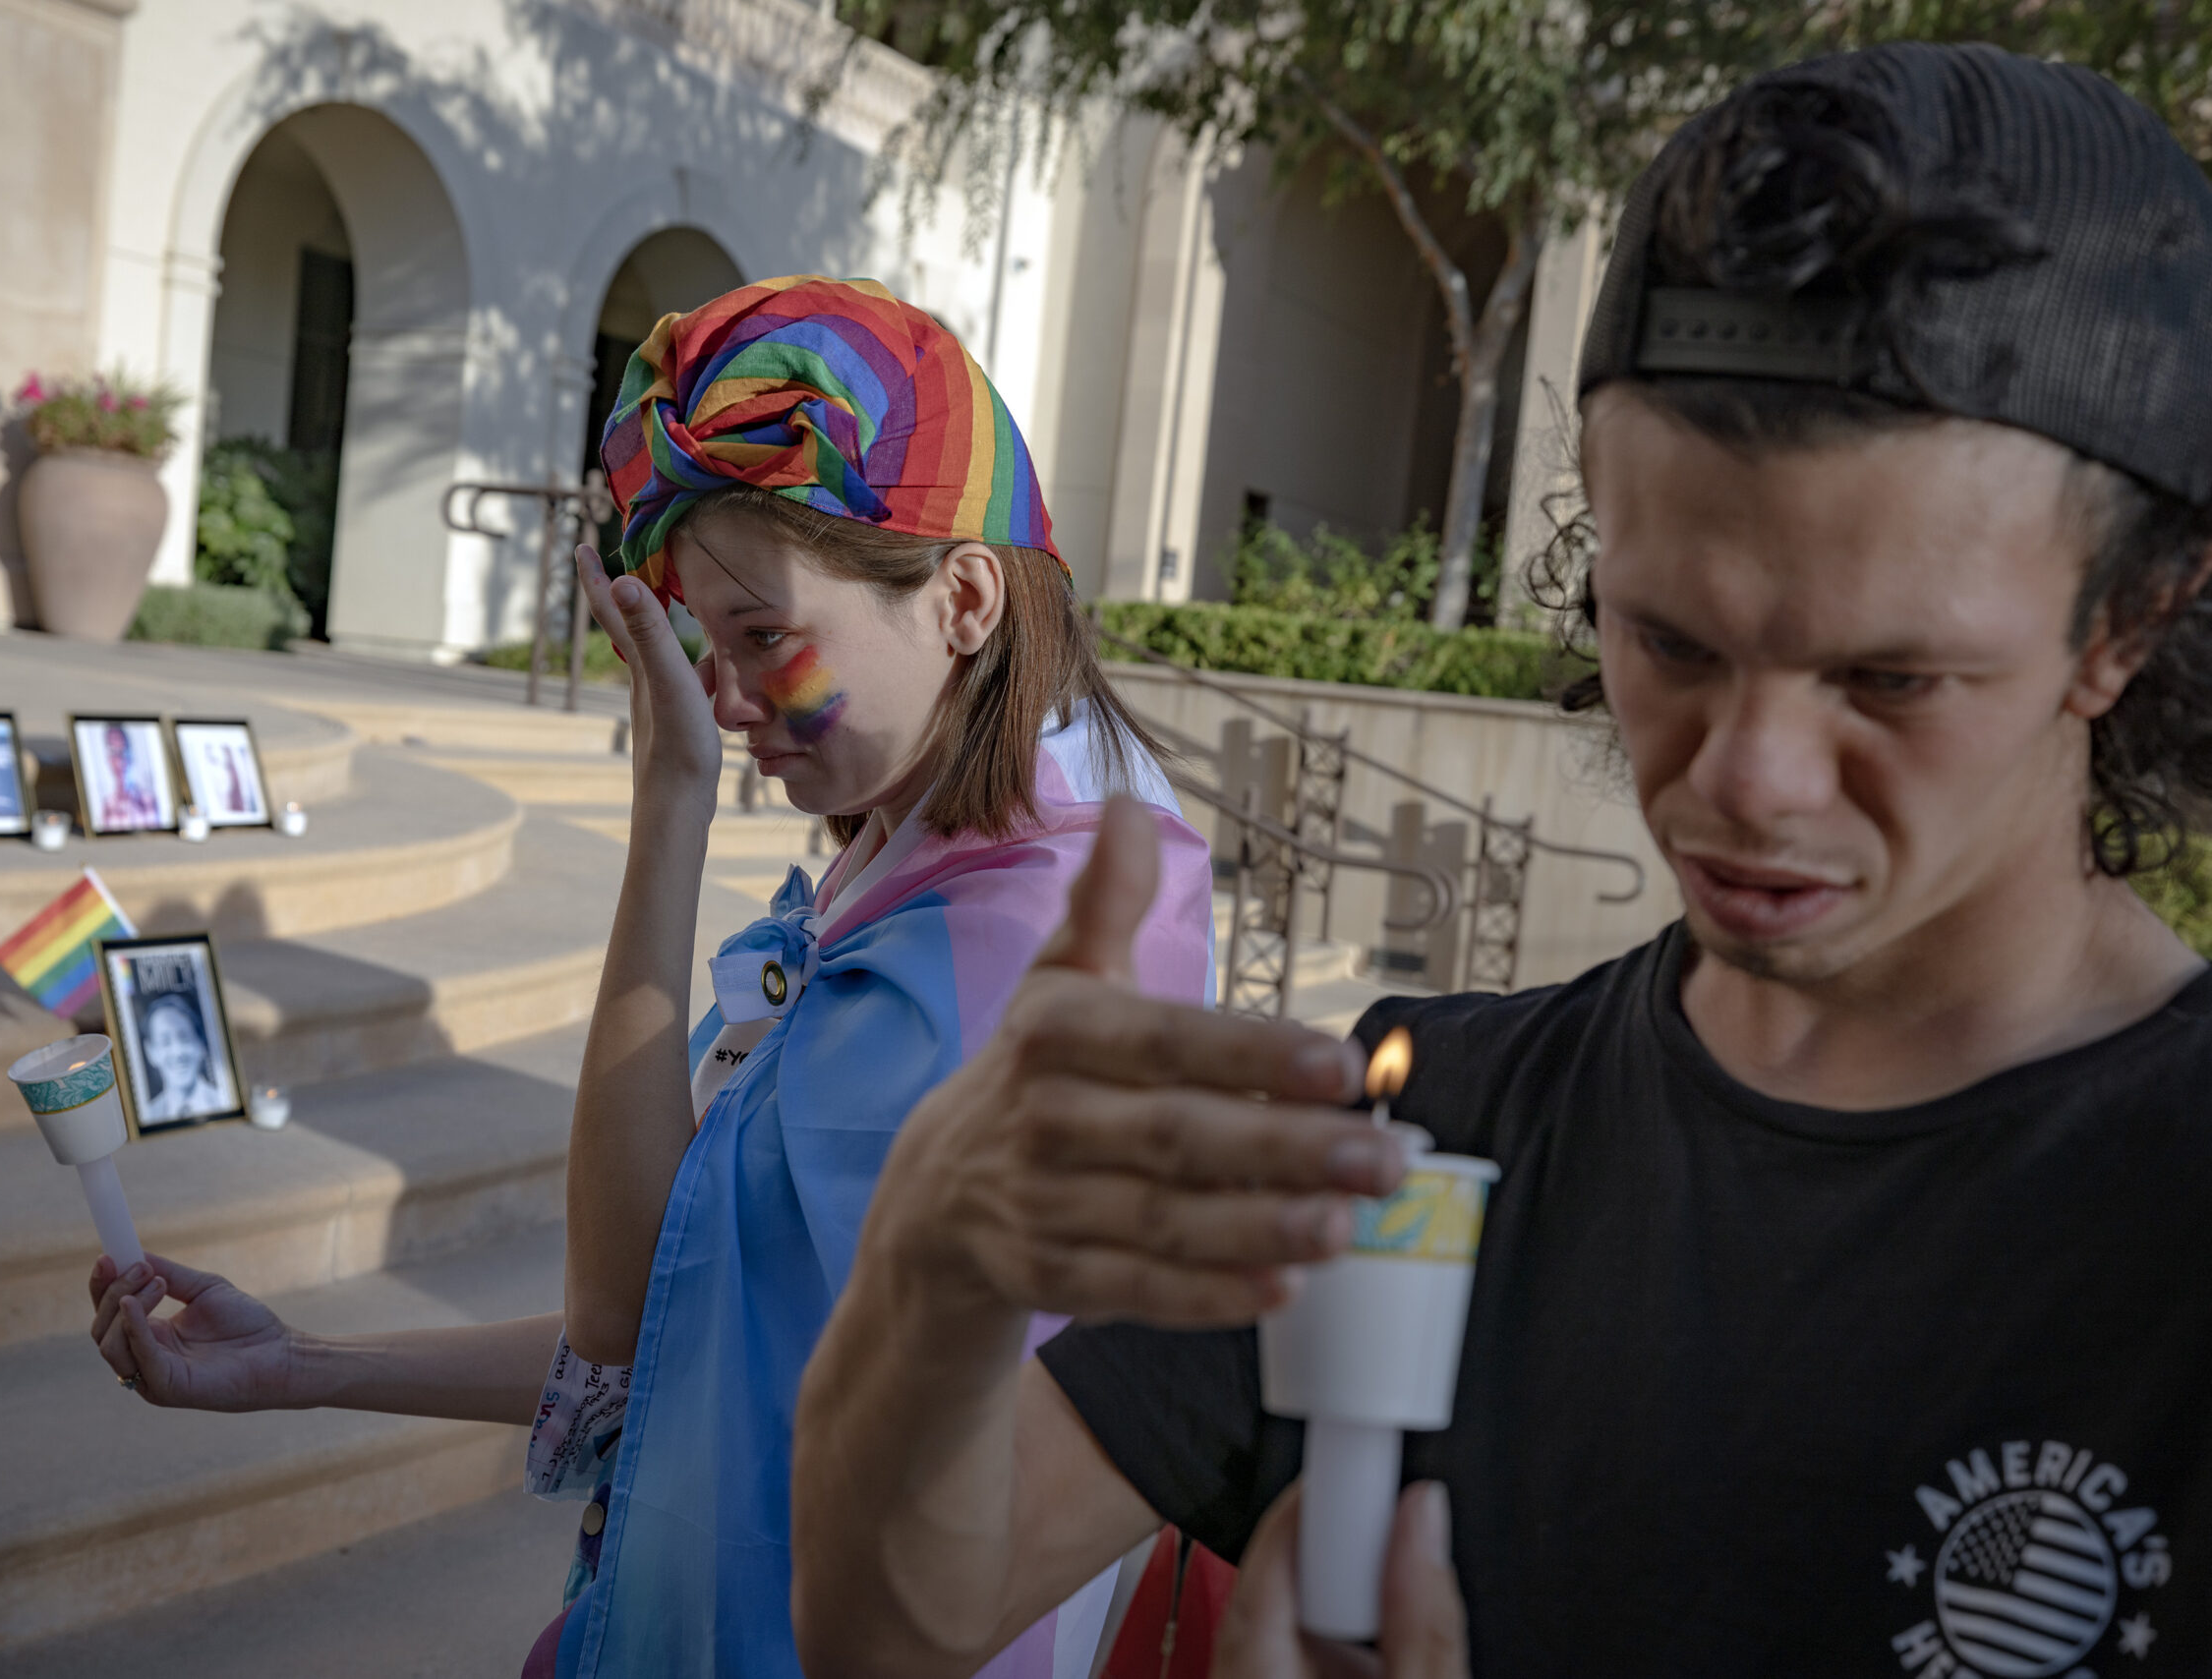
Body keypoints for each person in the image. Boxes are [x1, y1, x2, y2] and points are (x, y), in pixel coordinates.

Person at [791, 44, 2212, 1679]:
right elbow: (883, 1621)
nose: (1745, 776)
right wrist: (935, 1266)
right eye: (1666, 637)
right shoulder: (1421, 1136)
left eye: (1889, 679)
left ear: (2131, 616)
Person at [82, 276, 1215, 1677]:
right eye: (701, 638)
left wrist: (672, 807)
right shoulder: (925, 866)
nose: (728, 696)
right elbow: (682, 1333)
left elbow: (634, 1321)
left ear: (965, 597)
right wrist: (301, 1367)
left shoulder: (1005, 949)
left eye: (765, 637)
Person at [135, 990, 227, 1123]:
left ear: (201, 1044)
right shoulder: (148, 1115)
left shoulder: (224, 1102)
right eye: (165, 1042)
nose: (177, 1052)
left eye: (185, 1038)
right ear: (151, 1052)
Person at [92, 724, 165, 832]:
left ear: (130, 755)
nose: (120, 760)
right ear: (108, 759)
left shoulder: (148, 800)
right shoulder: (107, 808)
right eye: (113, 752)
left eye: (123, 751)